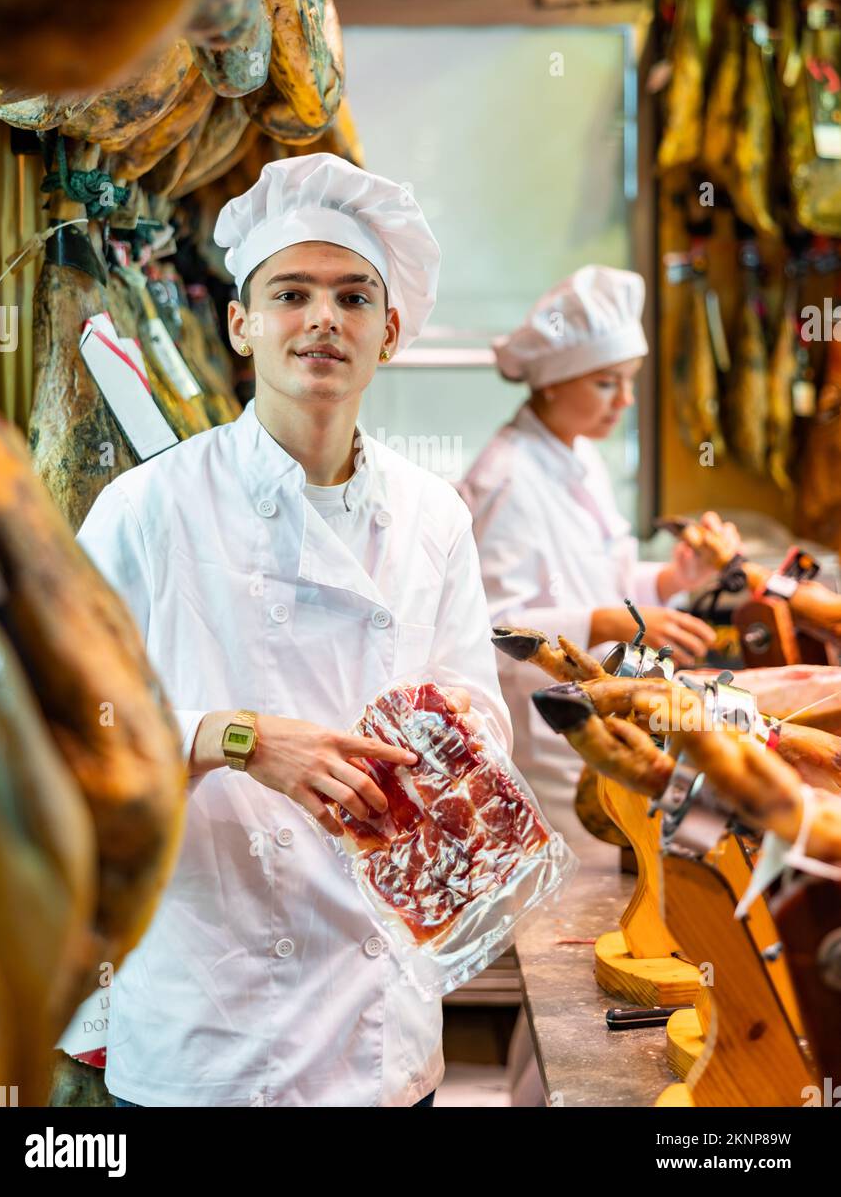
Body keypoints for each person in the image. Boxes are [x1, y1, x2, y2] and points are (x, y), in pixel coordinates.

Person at [76, 152, 513, 1107]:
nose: (324, 317)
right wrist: (237, 739)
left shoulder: (434, 514)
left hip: (382, 1024)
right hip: (211, 1027)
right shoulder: (146, 509)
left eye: (355, 296)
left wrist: (456, 747)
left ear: (388, 332)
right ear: (241, 323)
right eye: (292, 293)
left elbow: (480, 705)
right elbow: (59, 729)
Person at [459, 265, 739, 838]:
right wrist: (606, 621)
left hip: (605, 720)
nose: (625, 401)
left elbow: (599, 576)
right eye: (607, 382)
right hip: (552, 750)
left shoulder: (578, 455)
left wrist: (671, 579)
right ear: (554, 380)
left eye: (629, 381)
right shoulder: (507, 478)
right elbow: (485, 632)